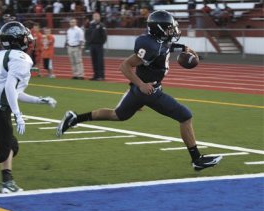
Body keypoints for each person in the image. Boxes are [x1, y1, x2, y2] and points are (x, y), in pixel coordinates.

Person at [56, 10, 222, 171]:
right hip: (149, 91)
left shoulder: (159, 41)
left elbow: (166, 47)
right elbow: (125, 65)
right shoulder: (149, 45)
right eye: (170, 28)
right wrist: (142, 85)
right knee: (185, 116)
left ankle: (75, 119)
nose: (173, 30)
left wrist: (184, 47)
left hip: (140, 91)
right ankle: (197, 159)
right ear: (159, 29)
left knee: (117, 115)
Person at [0, 21, 57, 193]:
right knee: (3, 152)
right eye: (24, 36)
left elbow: (14, 91)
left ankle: (7, 180)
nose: (27, 39)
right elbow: (9, 88)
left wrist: (39, 100)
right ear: (16, 39)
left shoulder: (3, 54)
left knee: (11, 147)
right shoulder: (20, 58)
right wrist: (18, 115)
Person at [85, 12, 107, 81]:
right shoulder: (91, 25)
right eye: (94, 16)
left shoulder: (101, 25)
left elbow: (104, 36)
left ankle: (101, 76)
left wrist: (101, 43)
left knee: (99, 61)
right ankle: (95, 75)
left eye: (97, 16)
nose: (96, 17)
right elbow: (87, 34)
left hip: (99, 45)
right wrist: (89, 42)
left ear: (99, 17)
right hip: (92, 45)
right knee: (94, 61)